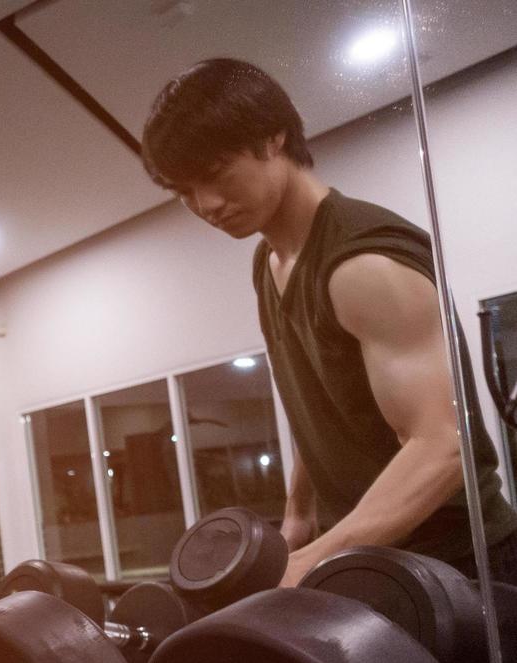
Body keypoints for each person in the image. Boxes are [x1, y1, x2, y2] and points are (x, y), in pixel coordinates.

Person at [141, 58, 517, 587]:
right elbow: (324, 407)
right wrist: (298, 515)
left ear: (273, 138)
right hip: (378, 556)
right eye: (184, 192)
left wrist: (309, 561)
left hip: (460, 561)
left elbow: (442, 445)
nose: (205, 204)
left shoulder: (361, 262)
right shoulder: (269, 263)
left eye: (215, 174)